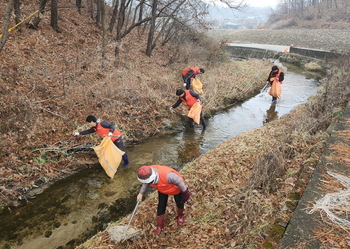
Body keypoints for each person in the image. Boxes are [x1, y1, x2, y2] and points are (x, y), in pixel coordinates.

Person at [136, 165, 191, 235]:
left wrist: (185, 192)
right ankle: (160, 225)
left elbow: (179, 181)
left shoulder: (168, 175)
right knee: (161, 206)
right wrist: (141, 194)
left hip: (175, 189)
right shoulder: (146, 173)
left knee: (179, 203)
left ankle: (180, 216)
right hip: (162, 189)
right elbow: (146, 183)